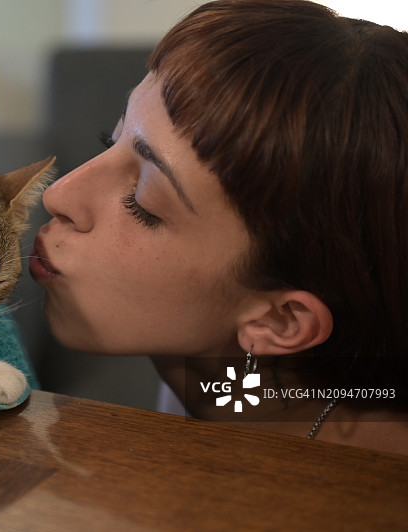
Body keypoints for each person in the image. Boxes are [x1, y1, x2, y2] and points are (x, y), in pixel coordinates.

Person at [28, 0, 408, 455]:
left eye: (143, 202)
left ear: (279, 320)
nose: (59, 195)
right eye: (111, 140)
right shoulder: (221, 392)